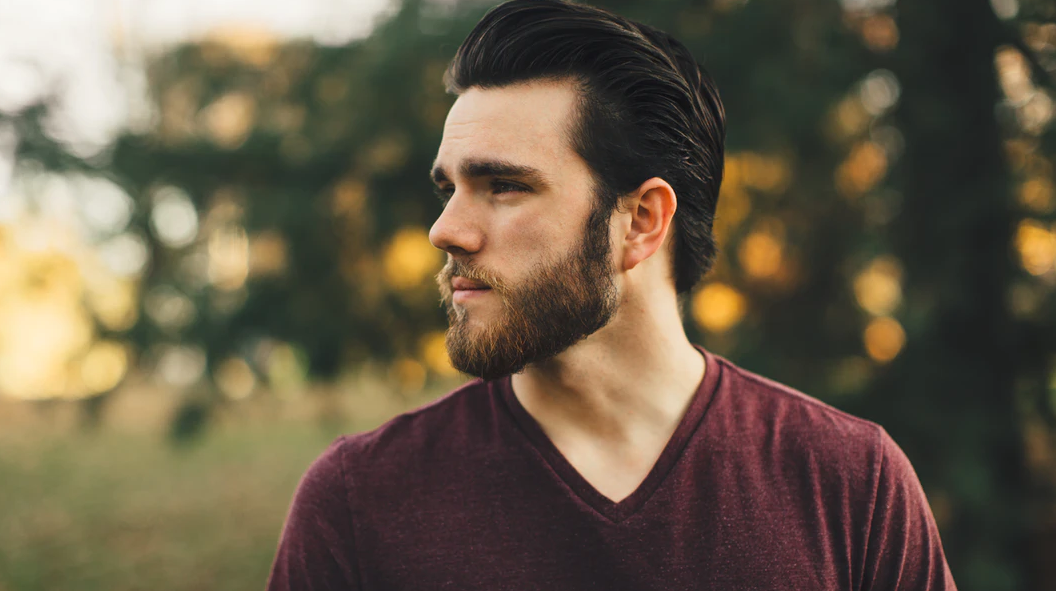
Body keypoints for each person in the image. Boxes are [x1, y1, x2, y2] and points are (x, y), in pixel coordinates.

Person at [266, 0, 956, 588]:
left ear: (642, 221)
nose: (445, 230)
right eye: (448, 189)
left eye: (503, 185)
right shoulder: (360, 503)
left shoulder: (851, 485)